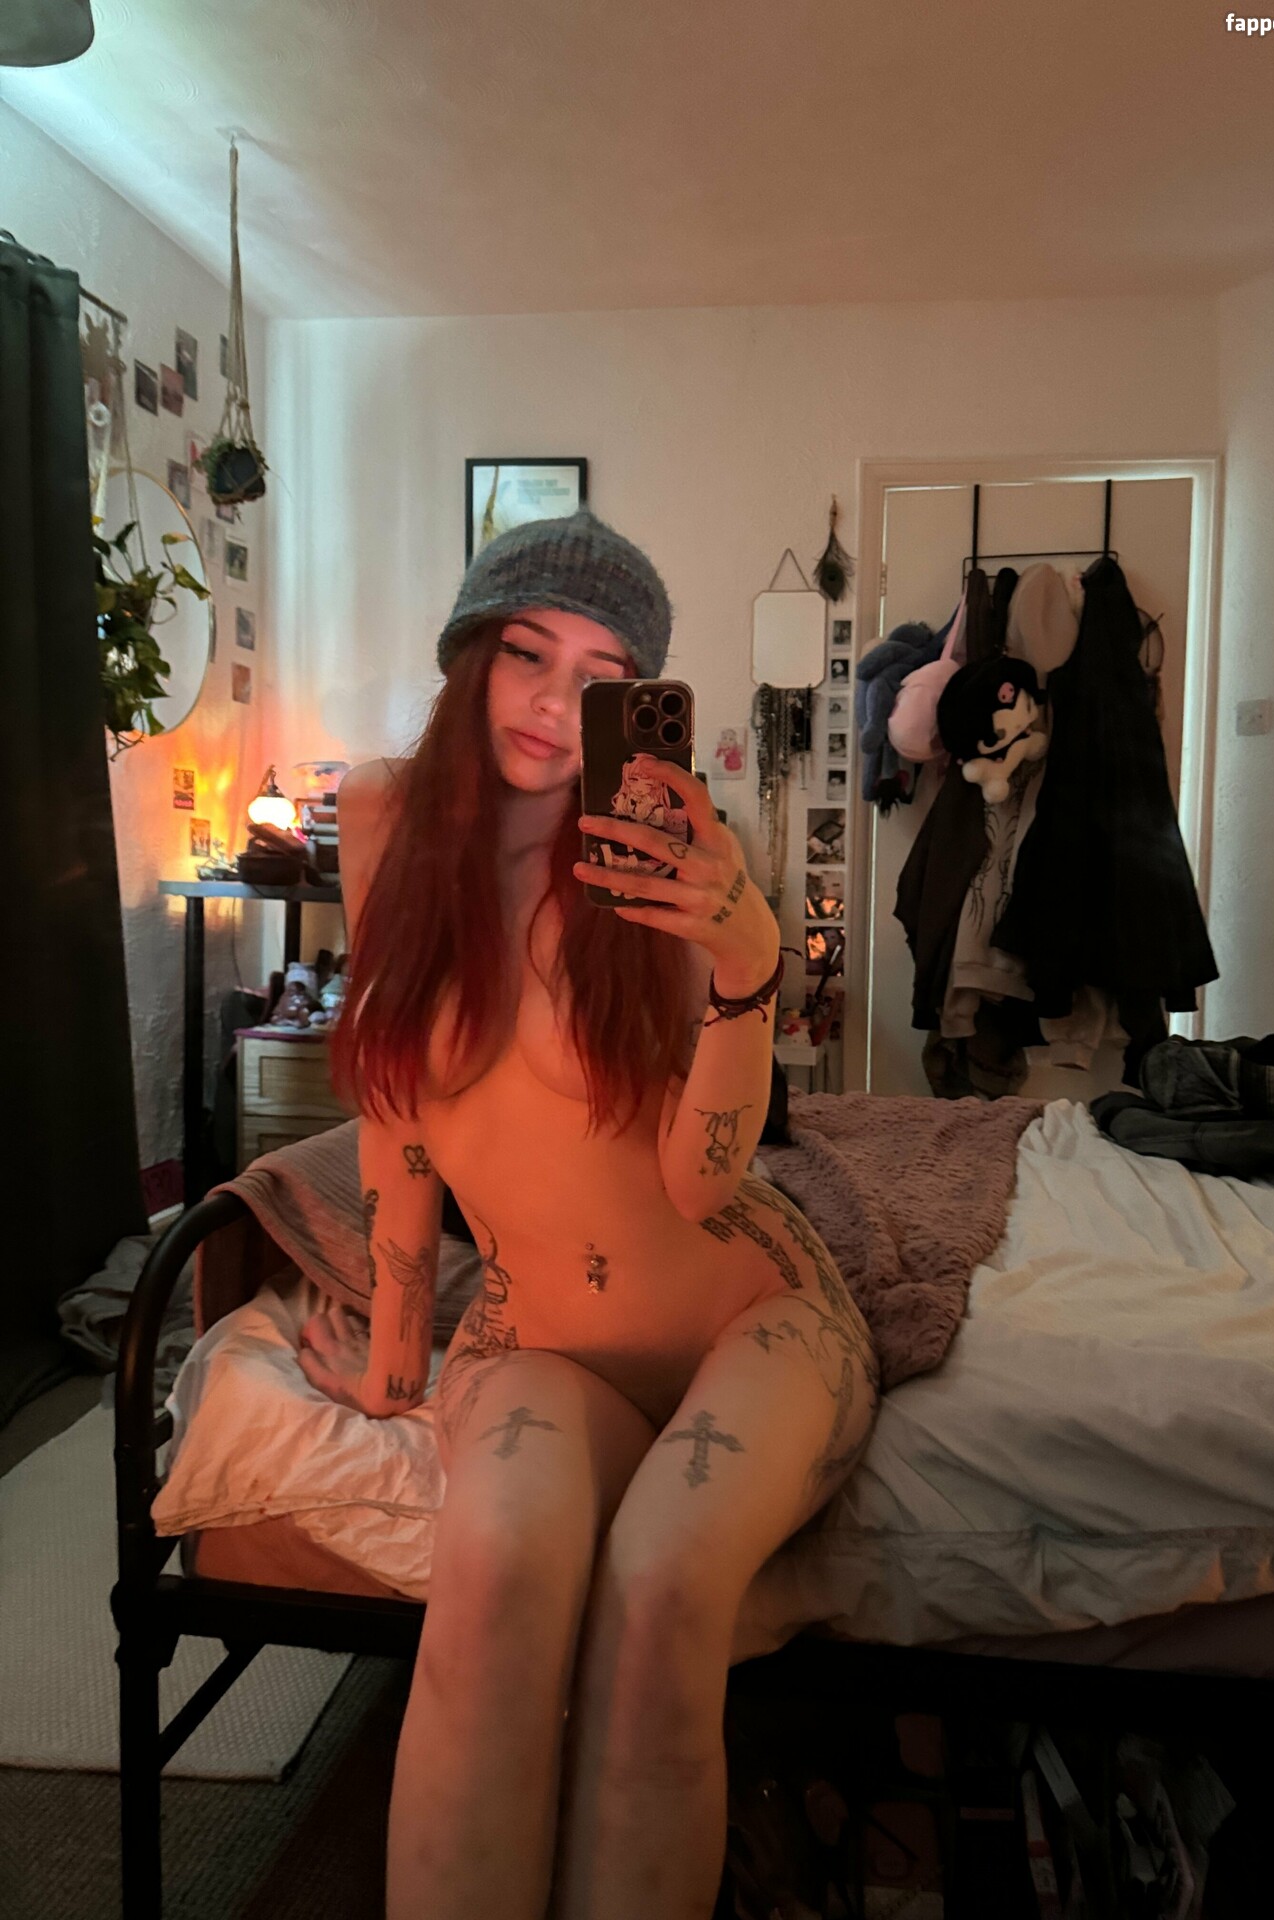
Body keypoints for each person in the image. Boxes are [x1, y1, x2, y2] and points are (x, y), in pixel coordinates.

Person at [294, 508, 881, 1920]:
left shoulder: (664, 851)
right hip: (536, 1342)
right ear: (469, 659)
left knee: (663, 1586)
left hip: (751, 1319)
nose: (557, 705)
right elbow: (396, 1114)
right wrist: (392, 1359)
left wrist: (747, 968)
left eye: (603, 677)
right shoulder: (381, 818)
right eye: (526, 652)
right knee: (491, 1584)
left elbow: (703, 1181)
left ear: (641, 707)